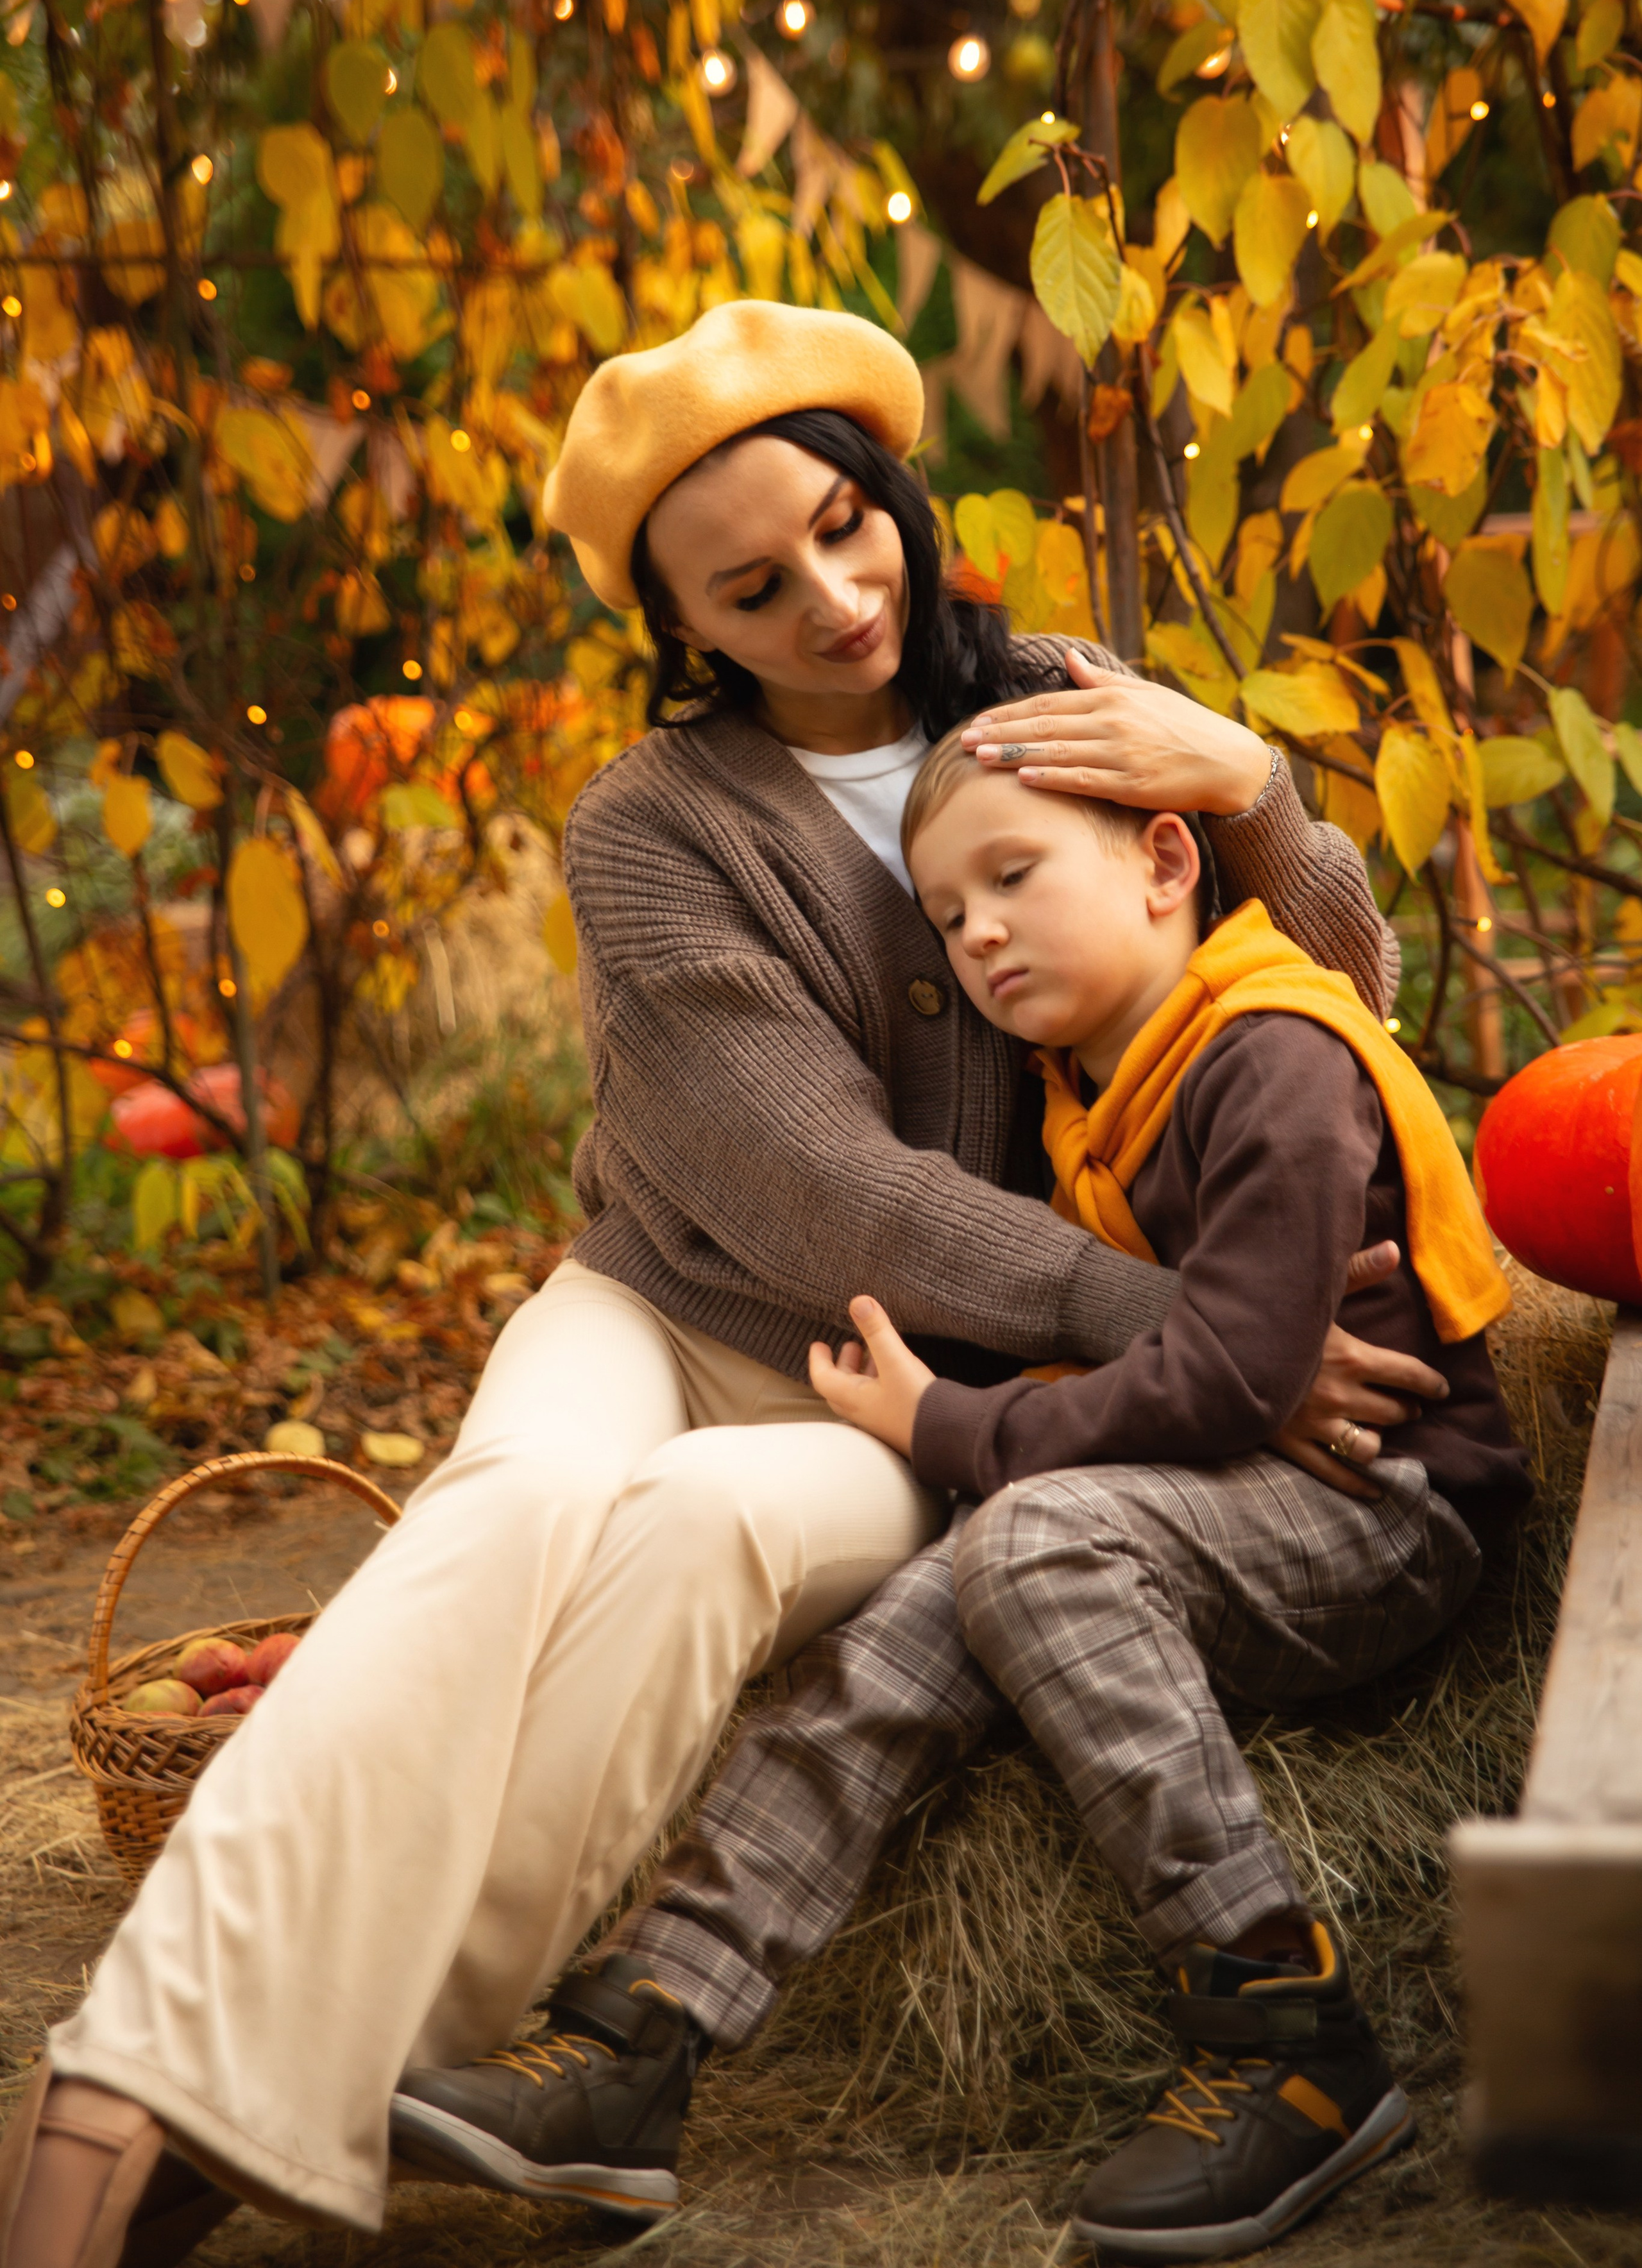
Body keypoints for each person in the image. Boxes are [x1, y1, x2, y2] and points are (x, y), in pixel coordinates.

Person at [0, 301, 1439, 2268]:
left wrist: (1256, 784)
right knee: (509, 1510)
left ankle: (314, 2101)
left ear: (900, 493)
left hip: (900, 1388)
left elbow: (1338, 1008)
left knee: (685, 1542)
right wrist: (1187, 1342)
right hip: (673, 1302)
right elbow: (821, 1185)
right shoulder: (654, 827)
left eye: (851, 527)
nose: (837, 601)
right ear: (688, 626)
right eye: (753, 589)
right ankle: (146, 2075)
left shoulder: (1064, 706)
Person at [447, 732, 1522, 2262]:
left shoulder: (1276, 1056)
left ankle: (1289, 2032)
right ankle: (646, 2031)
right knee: (896, 1640)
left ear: (1163, 863)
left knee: (1022, 1534)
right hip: (1205, 1512)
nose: (979, 936)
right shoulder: (1095, 1081)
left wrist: (950, 1425)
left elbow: (1225, 1380)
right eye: (948, 916)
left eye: (1012, 879)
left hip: (1387, 1515)